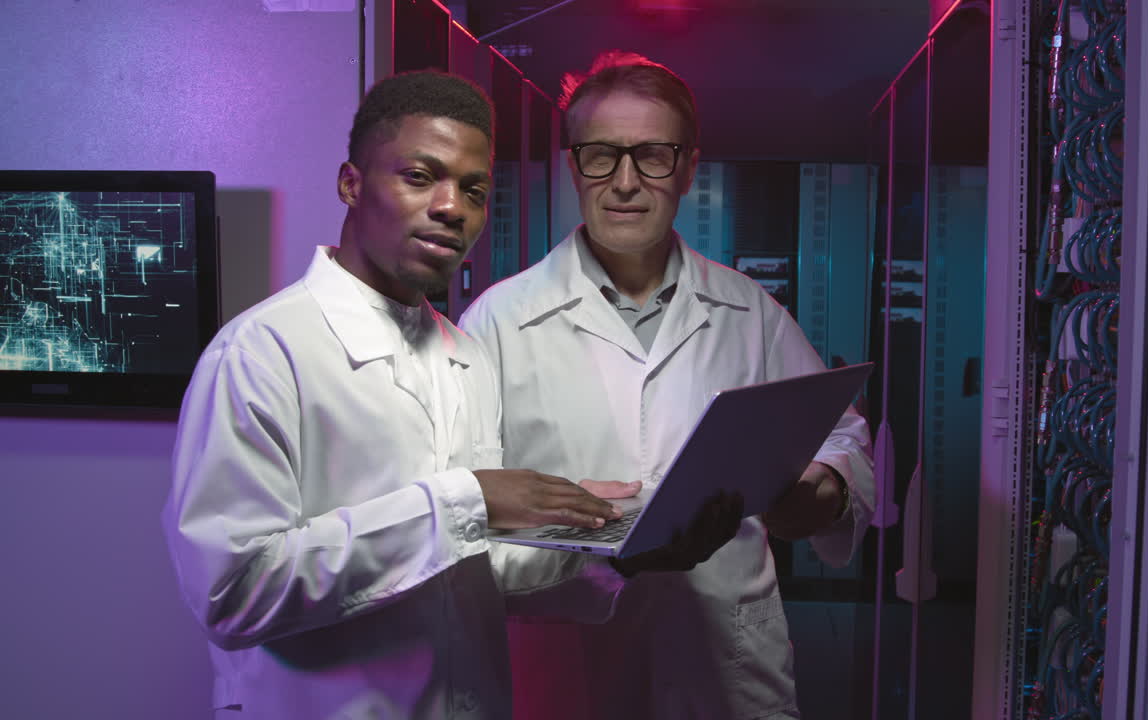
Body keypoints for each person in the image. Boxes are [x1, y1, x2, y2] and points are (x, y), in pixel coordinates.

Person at [161, 70, 657, 720]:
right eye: (420, 176)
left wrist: (608, 543)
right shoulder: (263, 353)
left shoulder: (465, 356)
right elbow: (232, 593)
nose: (452, 207)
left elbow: (472, 569)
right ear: (351, 183)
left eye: (474, 190)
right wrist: (466, 498)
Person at [459, 51, 875, 719]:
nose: (625, 181)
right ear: (573, 167)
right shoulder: (498, 322)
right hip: (564, 665)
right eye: (601, 155)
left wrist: (823, 490)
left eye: (652, 154)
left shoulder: (750, 312)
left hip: (724, 671)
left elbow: (842, 435)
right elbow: (459, 509)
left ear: (687, 169)